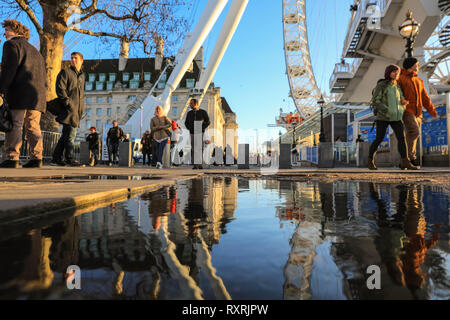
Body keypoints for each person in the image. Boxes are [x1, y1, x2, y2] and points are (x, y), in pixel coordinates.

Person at [0, 20, 46, 168]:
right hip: (37, 96)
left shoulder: (11, 45)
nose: (4, 33)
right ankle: (36, 158)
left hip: (19, 93)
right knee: (33, 126)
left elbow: (9, 69)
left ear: (14, 30)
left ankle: (12, 157)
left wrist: (1, 89)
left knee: (16, 125)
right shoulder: (35, 51)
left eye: (6, 30)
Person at [367, 64, 417, 170]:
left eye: (397, 72)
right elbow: (376, 101)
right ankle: (370, 160)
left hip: (396, 117)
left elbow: (401, 98)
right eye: (393, 72)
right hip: (383, 117)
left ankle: (405, 162)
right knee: (379, 139)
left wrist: (403, 104)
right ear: (388, 73)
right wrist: (387, 110)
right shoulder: (382, 85)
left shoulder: (397, 86)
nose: (396, 74)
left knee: (401, 139)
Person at [397, 57, 438, 167]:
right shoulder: (400, 79)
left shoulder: (418, 80)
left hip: (418, 113)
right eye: (417, 64)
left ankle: (405, 160)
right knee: (415, 132)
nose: (418, 66)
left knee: (411, 135)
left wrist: (432, 111)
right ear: (411, 66)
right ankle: (411, 158)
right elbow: (396, 94)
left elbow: (425, 97)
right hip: (407, 111)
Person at [51, 52, 85, 166]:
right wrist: (67, 103)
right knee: (70, 135)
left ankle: (56, 158)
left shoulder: (82, 76)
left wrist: (81, 109)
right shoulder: (66, 72)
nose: (73, 60)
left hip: (77, 110)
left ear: (81, 60)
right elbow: (60, 88)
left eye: (76, 58)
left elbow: (81, 94)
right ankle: (69, 158)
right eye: (72, 58)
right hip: (69, 109)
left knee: (66, 135)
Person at [184, 98, 210, 169]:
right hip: (192, 132)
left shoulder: (203, 112)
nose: (190, 104)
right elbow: (186, 123)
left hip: (200, 132)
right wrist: (190, 128)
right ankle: (196, 164)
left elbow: (208, 122)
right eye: (190, 103)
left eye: (191, 103)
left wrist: (202, 127)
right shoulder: (189, 113)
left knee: (199, 148)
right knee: (194, 148)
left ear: (196, 104)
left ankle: (199, 164)